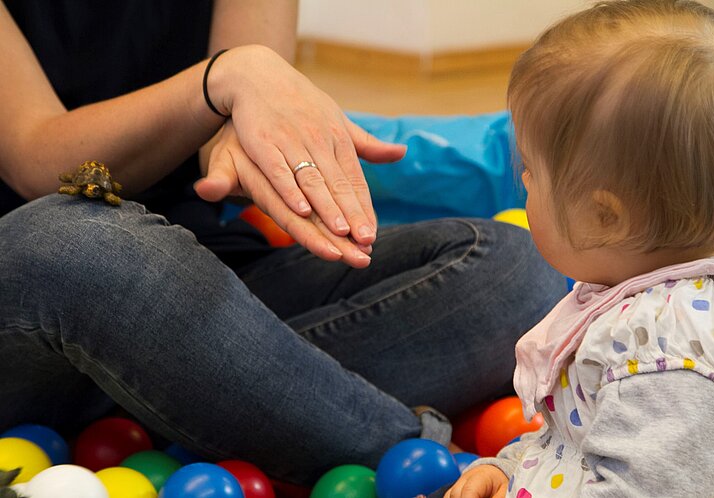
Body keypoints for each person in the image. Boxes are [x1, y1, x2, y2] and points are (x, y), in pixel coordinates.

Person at [0, 0, 567, 484]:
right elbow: (38, 160)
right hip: (45, 280)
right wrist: (222, 81)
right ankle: (427, 464)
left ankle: (205, 395)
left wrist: (245, 129)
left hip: (202, 271)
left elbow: (231, 125)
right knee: (81, 240)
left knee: (513, 267)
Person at [443, 1, 714, 497]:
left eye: (532, 173)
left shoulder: (659, 351)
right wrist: (510, 466)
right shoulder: (702, 293)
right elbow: (582, 440)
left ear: (605, 215)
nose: (522, 179)